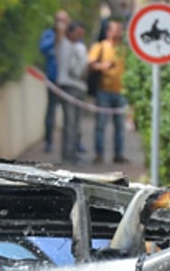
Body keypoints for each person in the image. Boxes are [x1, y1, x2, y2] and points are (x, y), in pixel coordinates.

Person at [87, 19, 128, 165]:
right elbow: (90, 64)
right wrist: (102, 66)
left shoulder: (124, 49)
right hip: (103, 92)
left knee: (120, 126)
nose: (119, 32)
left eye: (120, 29)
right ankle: (99, 155)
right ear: (109, 31)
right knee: (100, 125)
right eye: (116, 29)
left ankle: (119, 155)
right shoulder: (100, 47)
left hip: (121, 92)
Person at [38, 10, 70, 154]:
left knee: (70, 114)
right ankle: (49, 142)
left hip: (69, 81)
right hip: (53, 79)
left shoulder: (72, 36)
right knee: (51, 112)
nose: (61, 23)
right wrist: (57, 37)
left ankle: (73, 143)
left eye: (64, 20)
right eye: (58, 20)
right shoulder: (49, 35)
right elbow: (42, 48)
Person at [55, 21, 88, 164]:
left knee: (76, 124)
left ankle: (73, 153)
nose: (80, 36)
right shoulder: (64, 44)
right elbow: (59, 29)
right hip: (68, 87)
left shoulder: (77, 46)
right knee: (70, 123)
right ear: (69, 32)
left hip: (78, 88)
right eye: (77, 32)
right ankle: (68, 156)